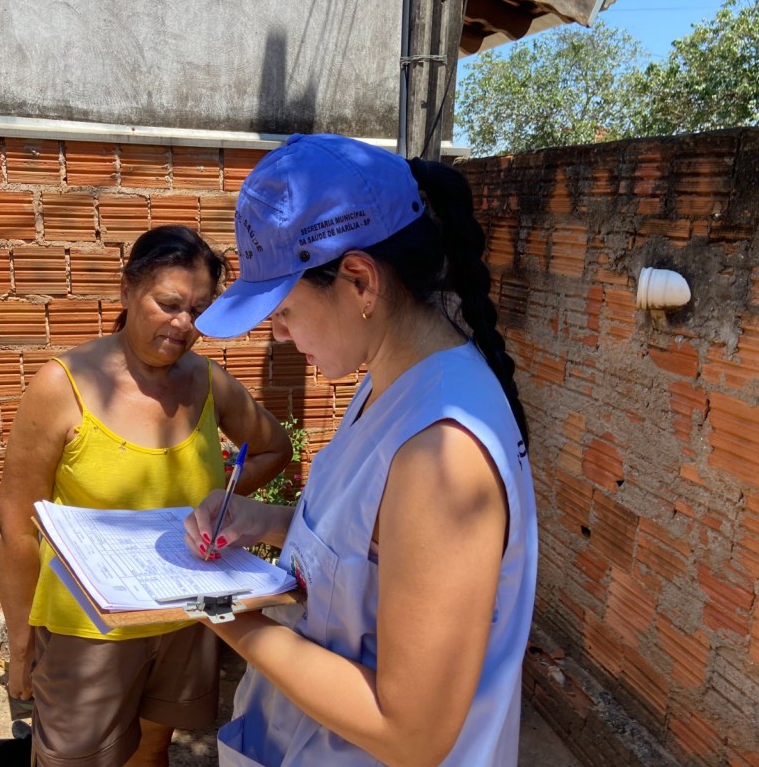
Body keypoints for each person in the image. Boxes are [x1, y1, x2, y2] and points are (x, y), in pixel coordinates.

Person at [184, 133, 538, 767]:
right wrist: (261, 521)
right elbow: (376, 553)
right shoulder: (387, 381)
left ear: (359, 282)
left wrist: (217, 609)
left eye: (285, 309)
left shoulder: (444, 450)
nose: (279, 334)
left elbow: (409, 733)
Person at [0, 224, 293, 767]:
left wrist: (218, 508)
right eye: (169, 304)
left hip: (187, 615)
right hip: (89, 630)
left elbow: (274, 448)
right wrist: (21, 646)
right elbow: (15, 525)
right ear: (127, 288)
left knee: (154, 748)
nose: (184, 324)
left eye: (199, 310)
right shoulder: (62, 386)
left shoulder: (207, 381)